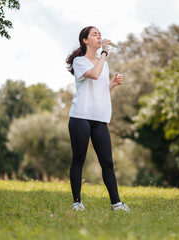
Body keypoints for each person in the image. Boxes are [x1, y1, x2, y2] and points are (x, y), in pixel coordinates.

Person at [65, 26, 130, 212]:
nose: (99, 36)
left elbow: (99, 91)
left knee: (107, 162)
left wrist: (111, 85)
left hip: (99, 119)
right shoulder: (80, 61)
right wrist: (103, 53)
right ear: (85, 40)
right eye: (95, 34)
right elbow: (93, 75)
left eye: (100, 34)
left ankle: (116, 203)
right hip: (80, 117)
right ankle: (77, 202)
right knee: (79, 159)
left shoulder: (104, 63)